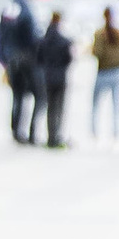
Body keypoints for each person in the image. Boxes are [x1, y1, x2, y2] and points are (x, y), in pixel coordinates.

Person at [0, 0, 41, 143]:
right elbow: (32, 35)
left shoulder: (8, 7)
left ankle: (15, 130)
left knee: (17, 96)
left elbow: (0, 35)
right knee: (37, 95)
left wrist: (4, 57)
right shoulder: (26, 8)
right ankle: (29, 132)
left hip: (10, 58)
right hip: (25, 58)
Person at [88, 5, 119, 147]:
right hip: (118, 72)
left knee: (95, 104)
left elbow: (97, 53)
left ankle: (95, 133)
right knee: (117, 105)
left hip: (103, 71)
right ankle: (116, 134)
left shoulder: (100, 34)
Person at [35, 8, 73, 149]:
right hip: (60, 76)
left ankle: (51, 136)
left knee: (50, 108)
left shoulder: (44, 40)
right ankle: (57, 135)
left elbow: (39, 58)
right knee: (59, 108)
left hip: (48, 76)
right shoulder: (64, 41)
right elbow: (68, 59)